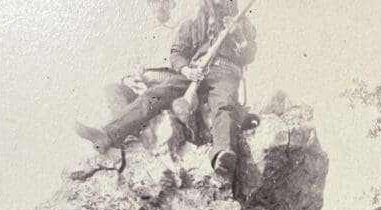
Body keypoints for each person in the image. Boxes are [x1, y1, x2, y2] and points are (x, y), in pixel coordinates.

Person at [76, 0, 256, 179]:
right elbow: (177, 53)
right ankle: (107, 135)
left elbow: (249, 57)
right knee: (154, 95)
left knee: (223, 104)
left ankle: (221, 154)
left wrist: (239, 36)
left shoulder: (243, 22)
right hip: (194, 71)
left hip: (225, 71)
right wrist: (186, 70)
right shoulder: (194, 21)